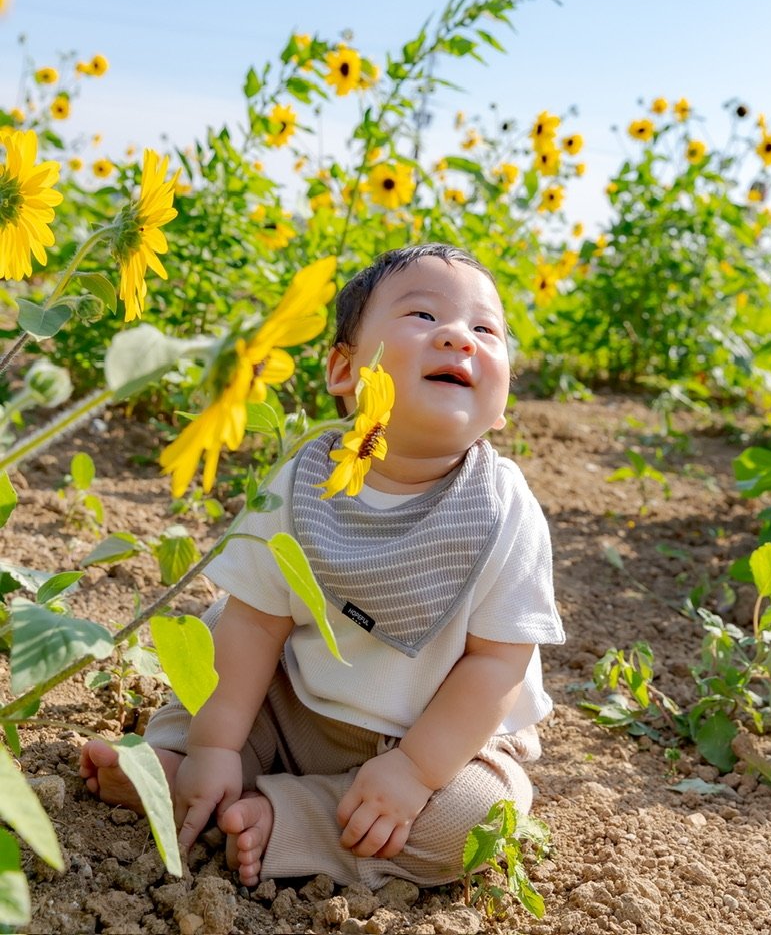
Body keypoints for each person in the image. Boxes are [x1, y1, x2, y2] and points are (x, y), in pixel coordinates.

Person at [80, 243, 565, 891]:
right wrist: (214, 746)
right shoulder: (303, 480)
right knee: (222, 626)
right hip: (298, 707)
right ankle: (182, 767)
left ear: (501, 403)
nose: (458, 336)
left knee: (479, 816)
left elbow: (496, 665)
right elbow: (255, 630)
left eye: (485, 329)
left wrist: (414, 772)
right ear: (343, 369)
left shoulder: (502, 510)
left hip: (440, 738)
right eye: (422, 315)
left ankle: (289, 819)